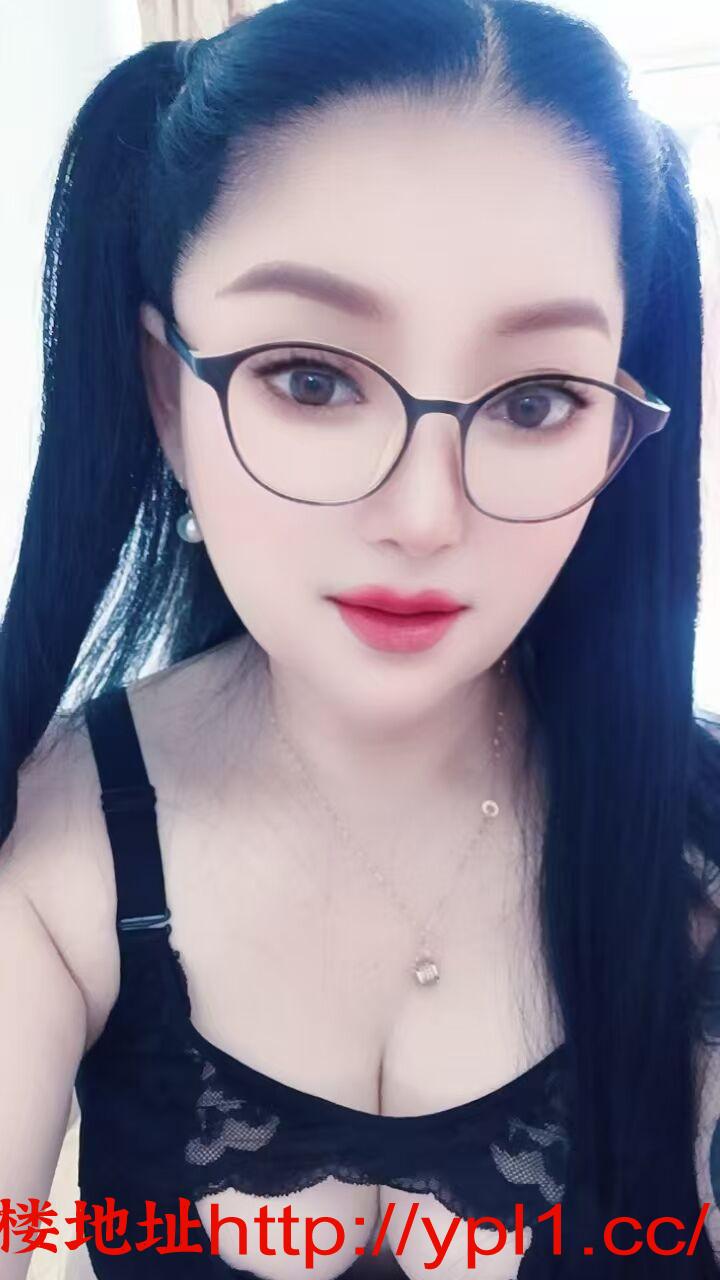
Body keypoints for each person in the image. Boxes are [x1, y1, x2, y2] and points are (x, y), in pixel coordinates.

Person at [1, 0, 719, 1275]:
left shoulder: (694, 843)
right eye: (312, 378)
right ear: (167, 396)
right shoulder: (54, 838)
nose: (426, 515)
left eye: (537, 398)